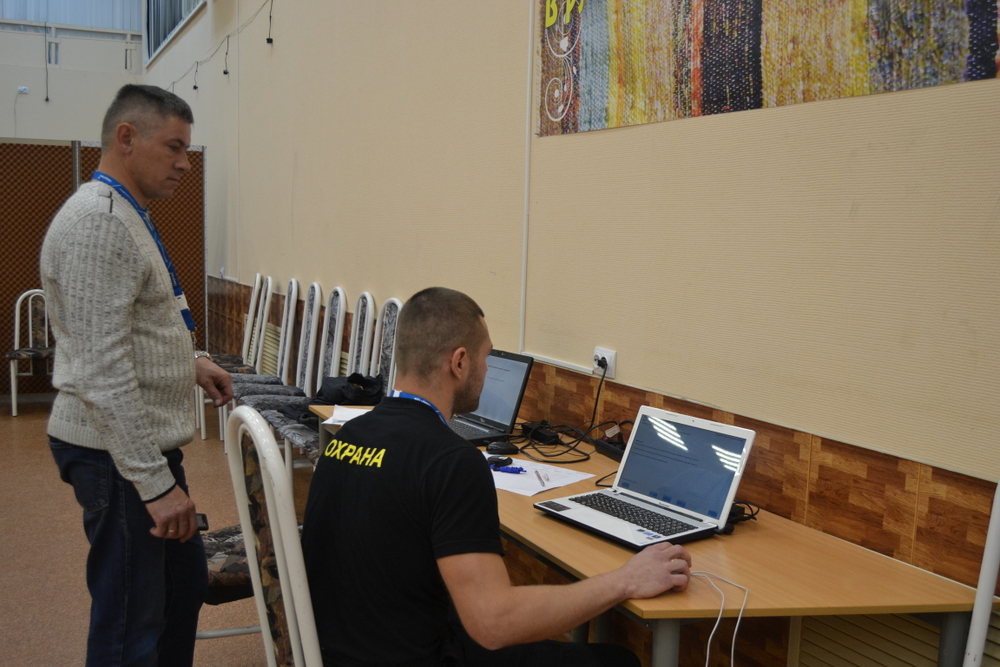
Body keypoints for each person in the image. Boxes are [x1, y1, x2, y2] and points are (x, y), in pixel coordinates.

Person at [302, 287, 692, 667]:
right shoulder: (452, 461)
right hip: (418, 653)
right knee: (619, 660)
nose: (488, 370)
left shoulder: (348, 435)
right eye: (486, 357)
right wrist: (625, 580)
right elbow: (494, 624)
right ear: (459, 362)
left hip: (338, 648)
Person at [40, 84, 233, 667]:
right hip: (117, 456)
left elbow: (123, 330)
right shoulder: (99, 223)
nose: (185, 164)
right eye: (174, 147)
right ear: (126, 137)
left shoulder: (123, 213)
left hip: (133, 448)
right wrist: (154, 484)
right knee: (131, 623)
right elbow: (100, 370)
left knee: (179, 591)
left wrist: (187, 364)